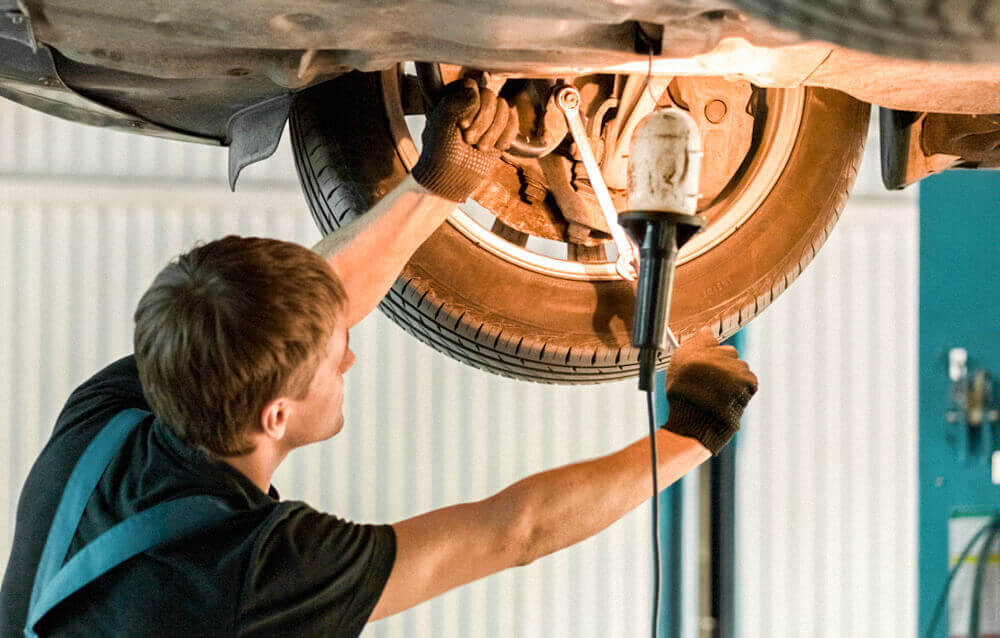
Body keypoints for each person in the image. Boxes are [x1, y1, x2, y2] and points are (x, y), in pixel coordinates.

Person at [0, 79, 758, 637]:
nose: (352, 360)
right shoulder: (253, 577)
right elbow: (512, 532)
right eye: (337, 358)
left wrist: (439, 183)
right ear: (276, 414)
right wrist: (697, 427)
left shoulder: (112, 420)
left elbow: (311, 302)